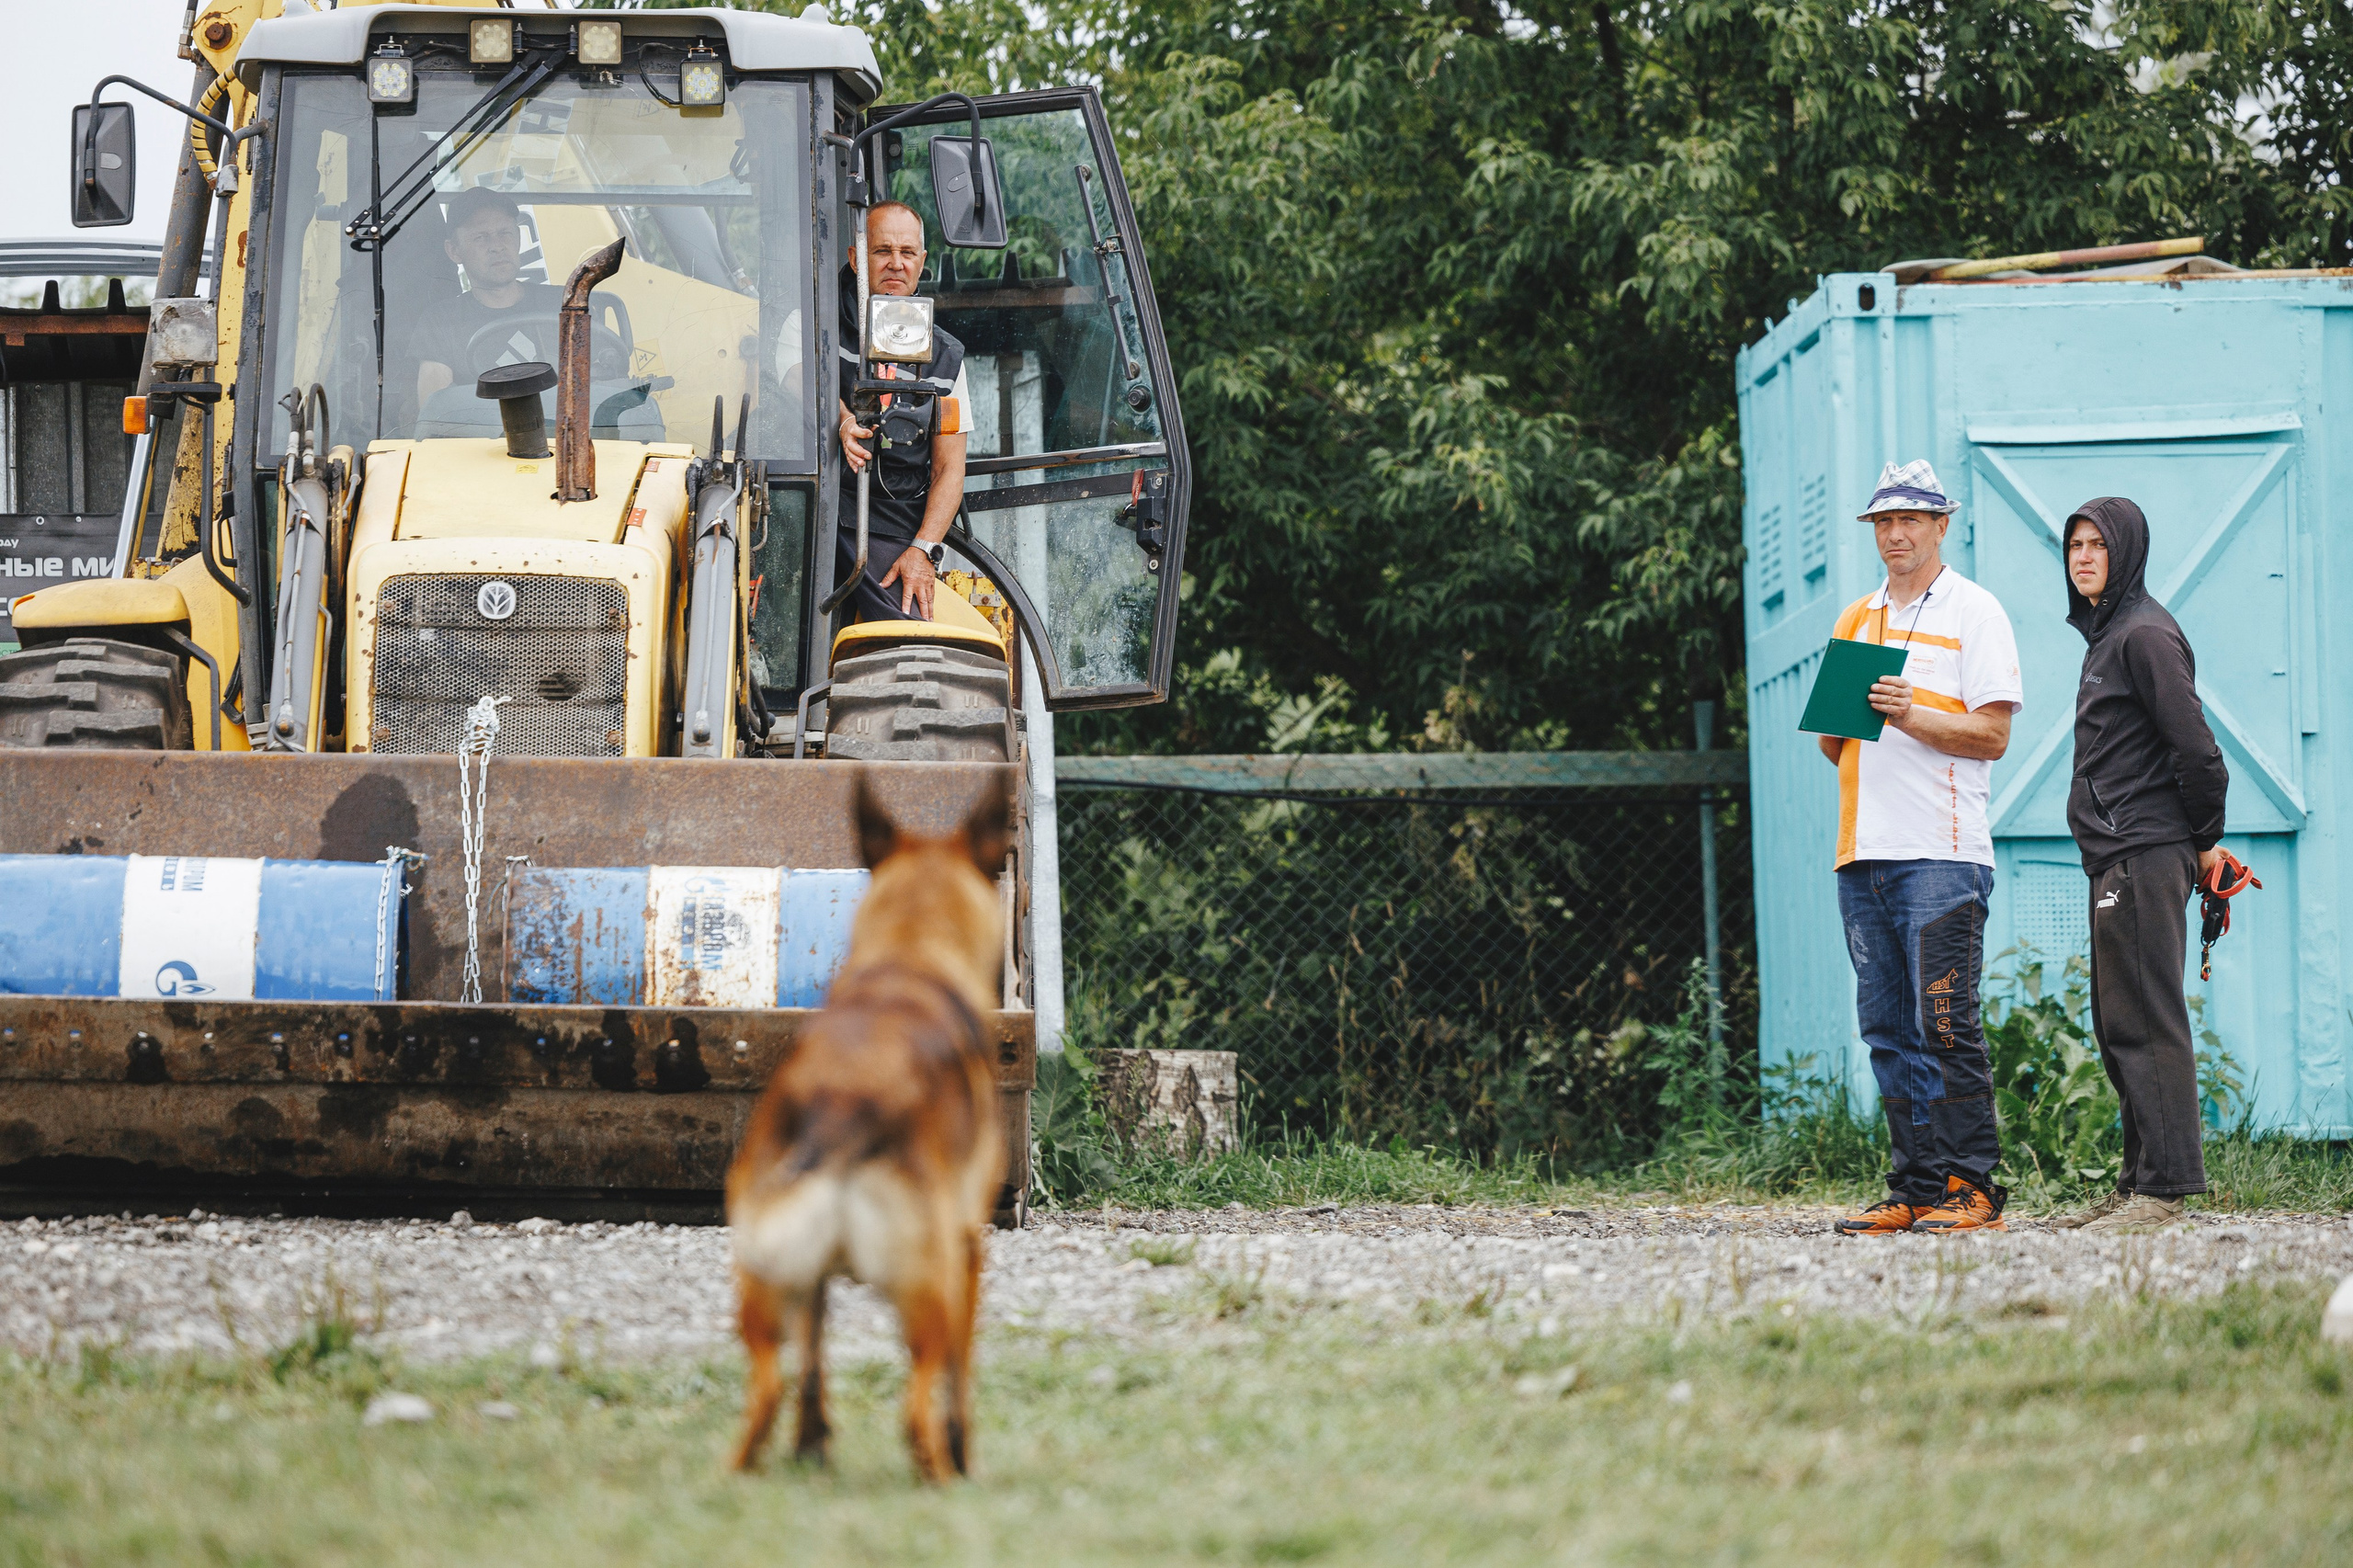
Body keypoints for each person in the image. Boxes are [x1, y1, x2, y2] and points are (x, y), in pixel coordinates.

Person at [1824, 460, 2023, 1236]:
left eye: (1911, 520)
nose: (1896, 534)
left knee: (1945, 1022)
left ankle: (1972, 1186)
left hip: (1942, 853)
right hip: (1862, 853)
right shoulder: (1856, 618)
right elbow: (1835, 742)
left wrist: (1911, 716)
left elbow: (1994, 736)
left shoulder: (1977, 612)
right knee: (1887, 1030)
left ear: (1944, 525)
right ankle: (1911, 1186)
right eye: (1883, 522)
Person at [2048, 498, 2230, 1233]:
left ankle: (2166, 1192)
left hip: (2144, 852)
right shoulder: (2111, 635)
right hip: (2119, 855)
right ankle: (2136, 1186)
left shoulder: (2147, 635)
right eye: (2075, 546)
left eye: (2099, 545)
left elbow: (2198, 752)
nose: (2085, 557)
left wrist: (2203, 838)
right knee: (2118, 1021)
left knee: (2149, 1020)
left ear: (2128, 553)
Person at [832, 201, 970, 622]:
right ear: (856, 258)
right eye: (881, 251)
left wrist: (923, 549)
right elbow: (799, 385)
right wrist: (841, 420)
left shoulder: (947, 358)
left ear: (922, 262)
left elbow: (950, 469)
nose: (896, 264)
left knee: (916, 641)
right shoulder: (814, 326)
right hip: (826, 514)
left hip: (897, 528)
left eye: (907, 253)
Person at [410, 189, 563, 409]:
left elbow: (601, 386)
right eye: (481, 237)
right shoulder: (440, 322)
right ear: (454, 251)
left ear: (518, 238)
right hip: (482, 442)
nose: (497, 246)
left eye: (505, 233)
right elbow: (434, 412)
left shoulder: (566, 303)